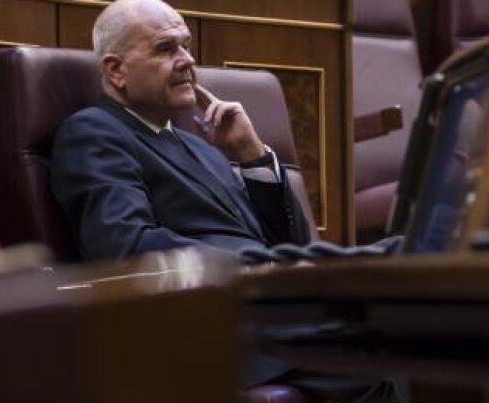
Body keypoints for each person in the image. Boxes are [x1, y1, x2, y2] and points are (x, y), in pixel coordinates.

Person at [50, 0, 318, 262]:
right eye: (165, 48)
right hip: (210, 289)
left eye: (186, 46)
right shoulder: (94, 133)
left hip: (274, 286)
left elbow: (294, 247)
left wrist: (251, 153)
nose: (188, 60)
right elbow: (125, 244)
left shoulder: (204, 148)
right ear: (116, 70)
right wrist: (250, 264)